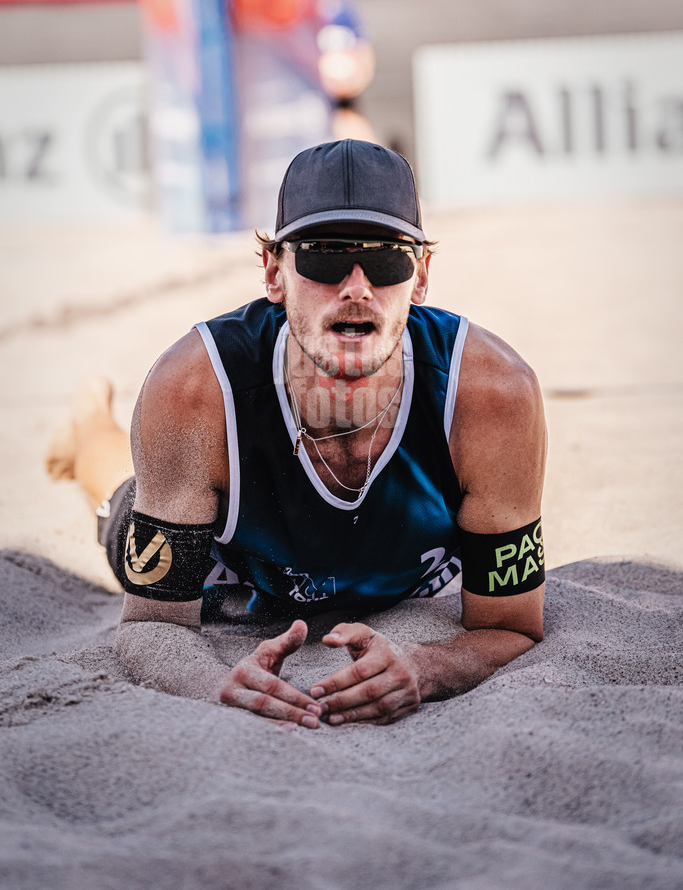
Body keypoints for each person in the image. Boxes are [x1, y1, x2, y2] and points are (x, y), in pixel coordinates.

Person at [47, 139, 547, 729]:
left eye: (386, 258)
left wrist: (428, 666)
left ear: (421, 276)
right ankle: (88, 432)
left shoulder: (493, 395)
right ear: (274, 272)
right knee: (117, 504)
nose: (357, 287)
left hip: (396, 580)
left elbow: (509, 624)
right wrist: (215, 687)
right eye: (324, 256)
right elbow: (152, 624)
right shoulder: (194, 387)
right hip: (233, 579)